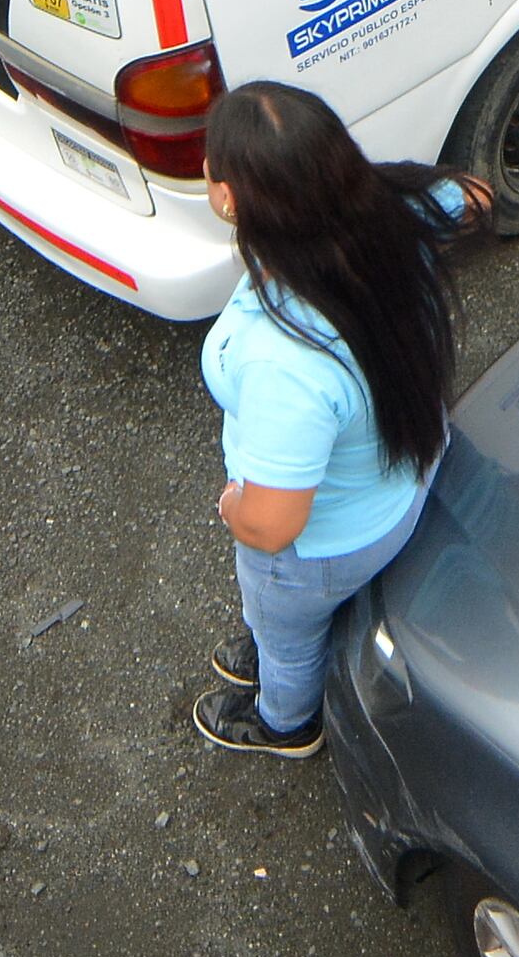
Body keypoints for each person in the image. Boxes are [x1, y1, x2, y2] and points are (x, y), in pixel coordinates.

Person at [188, 83, 472, 758]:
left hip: (325, 549)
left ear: (229, 198)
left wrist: (235, 509)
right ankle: (273, 640)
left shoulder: (285, 361)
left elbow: (276, 523)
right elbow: (474, 196)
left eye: (210, 164)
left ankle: (286, 722)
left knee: (287, 639)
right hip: (407, 473)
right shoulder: (397, 212)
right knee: (279, 620)